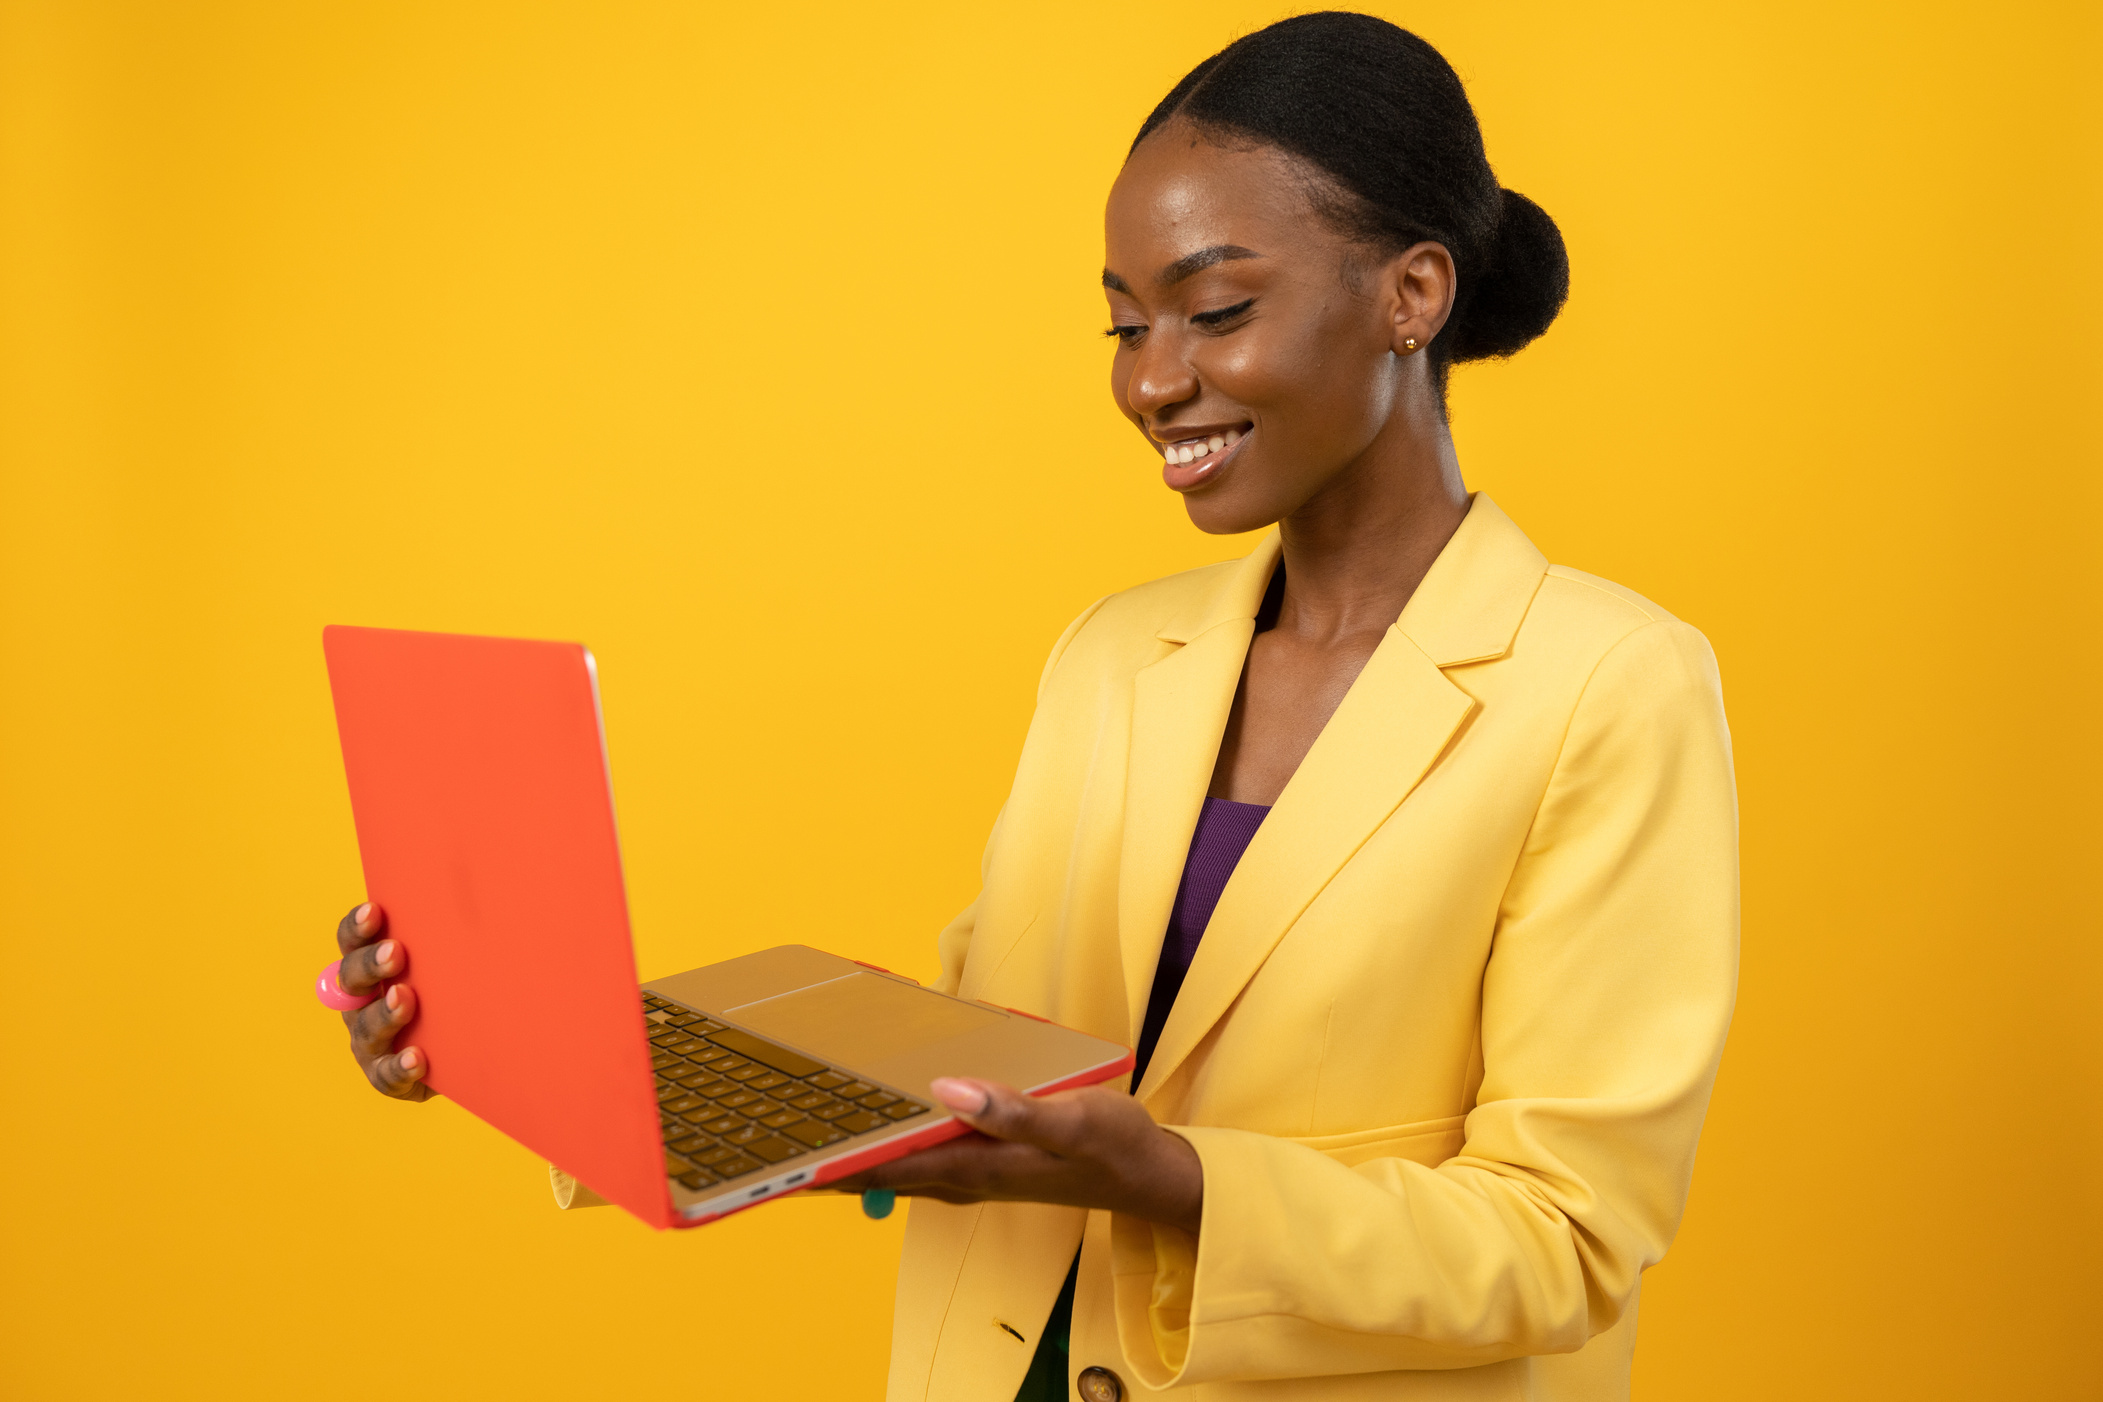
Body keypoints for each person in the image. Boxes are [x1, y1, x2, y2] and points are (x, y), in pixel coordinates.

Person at [328, 13, 1737, 1401]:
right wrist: (532, 1046)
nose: (1151, 378)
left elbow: (1567, 1239)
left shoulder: (1608, 685)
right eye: (1124, 324)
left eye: (1216, 309)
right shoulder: (1111, 656)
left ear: (1411, 296)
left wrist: (1170, 1178)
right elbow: (977, 1045)